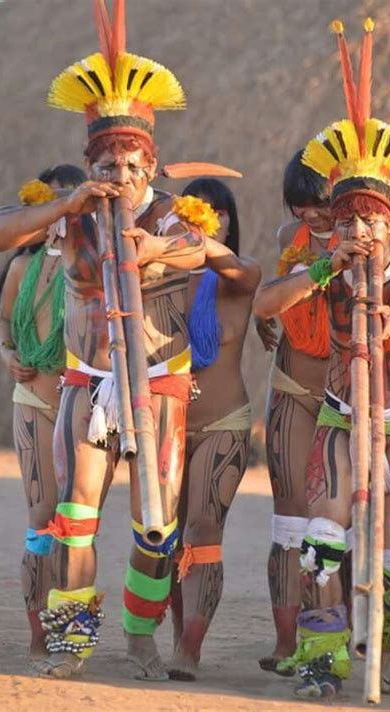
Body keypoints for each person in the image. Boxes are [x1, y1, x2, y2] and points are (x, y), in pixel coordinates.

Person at [0, 1, 211, 681]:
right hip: (87, 383)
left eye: (133, 161)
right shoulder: (71, 218)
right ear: (93, 164)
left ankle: (140, 637)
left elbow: (203, 248)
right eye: (107, 161)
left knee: (156, 529)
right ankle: (74, 641)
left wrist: (156, 246)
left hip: (158, 383)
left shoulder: (170, 212)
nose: (121, 173)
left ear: (151, 163)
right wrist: (63, 206)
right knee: (76, 515)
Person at [253, 18, 390, 698]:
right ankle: (321, 657)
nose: (361, 230)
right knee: (320, 539)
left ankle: (383, 653)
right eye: (349, 219)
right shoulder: (328, 263)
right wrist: (323, 269)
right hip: (339, 415)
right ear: (335, 221)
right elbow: (268, 305)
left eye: (372, 220)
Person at [168, 178, 261, 680]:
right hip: (169, 424)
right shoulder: (160, 277)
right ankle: (176, 631)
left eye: (219, 213)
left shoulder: (241, 275)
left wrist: (200, 241)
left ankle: (190, 648)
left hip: (225, 423)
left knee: (203, 529)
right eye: (200, 212)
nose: (212, 220)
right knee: (167, 537)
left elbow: (227, 262)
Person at [0, 164, 86, 664]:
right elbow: (5, 320)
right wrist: (8, 352)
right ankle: (38, 635)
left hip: (79, 402)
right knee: (40, 520)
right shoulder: (21, 266)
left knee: (72, 524)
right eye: (52, 202)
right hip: (32, 399)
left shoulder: (91, 266)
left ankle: (68, 630)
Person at [255, 151, 339, 674]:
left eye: (320, 205)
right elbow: (273, 299)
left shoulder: (374, 241)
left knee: (333, 526)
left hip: (343, 399)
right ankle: (286, 644)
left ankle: (335, 636)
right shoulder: (291, 238)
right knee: (288, 523)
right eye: (302, 205)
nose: (311, 216)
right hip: (291, 385)